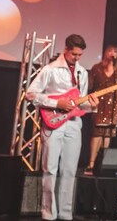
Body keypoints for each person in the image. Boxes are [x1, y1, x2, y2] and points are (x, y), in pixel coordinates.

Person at [25, 34, 97, 221]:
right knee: (50, 169)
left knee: (70, 170)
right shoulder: (50, 70)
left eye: (80, 55)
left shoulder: (82, 72)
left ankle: (65, 214)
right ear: (66, 49)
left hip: (73, 125)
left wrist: (92, 106)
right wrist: (56, 103)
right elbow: (30, 94)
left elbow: (80, 103)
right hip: (53, 123)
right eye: (74, 54)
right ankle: (48, 214)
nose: (77, 58)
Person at [84, 44, 117, 176]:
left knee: (108, 133)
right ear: (106, 53)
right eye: (110, 51)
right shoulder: (96, 68)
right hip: (99, 103)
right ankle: (91, 164)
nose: (112, 53)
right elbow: (89, 85)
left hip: (114, 104)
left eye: (115, 51)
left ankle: (102, 164)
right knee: (97, 133)